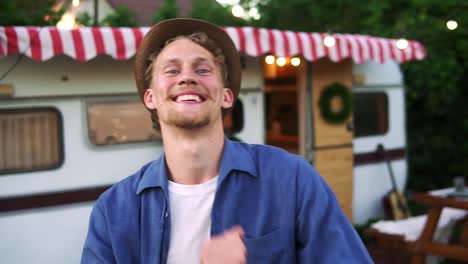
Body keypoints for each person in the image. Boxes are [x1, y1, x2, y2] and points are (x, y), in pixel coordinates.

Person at [81, 18, 373, 263]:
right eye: (172, 70)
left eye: (202, 70)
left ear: (226, 96)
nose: (187, 78)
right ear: (151, 98)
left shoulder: (291, 179)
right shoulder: (114, 212)